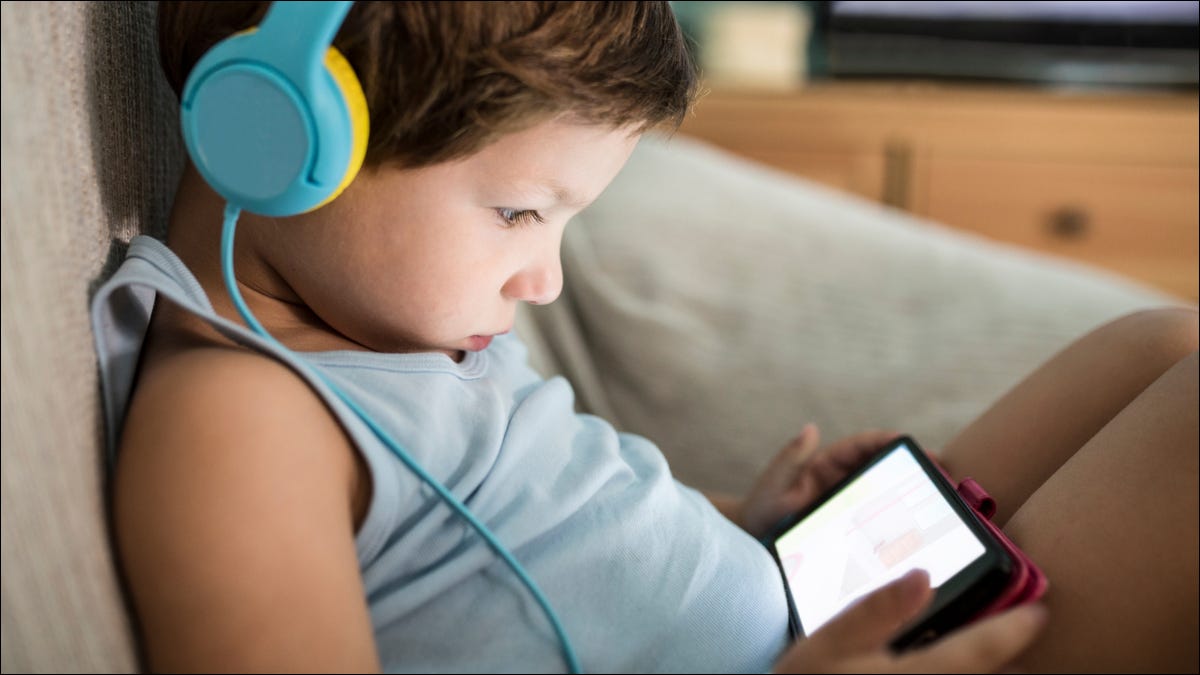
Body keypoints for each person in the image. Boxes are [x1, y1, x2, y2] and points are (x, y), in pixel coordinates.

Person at [91, 1, 1199, 672]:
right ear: (278, 135)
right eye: (523, 211)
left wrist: (736, 517)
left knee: (1159, 345)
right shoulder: (238, 431)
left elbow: (539, 535)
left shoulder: (380, 316)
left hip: (795, 599)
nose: (546, 274)